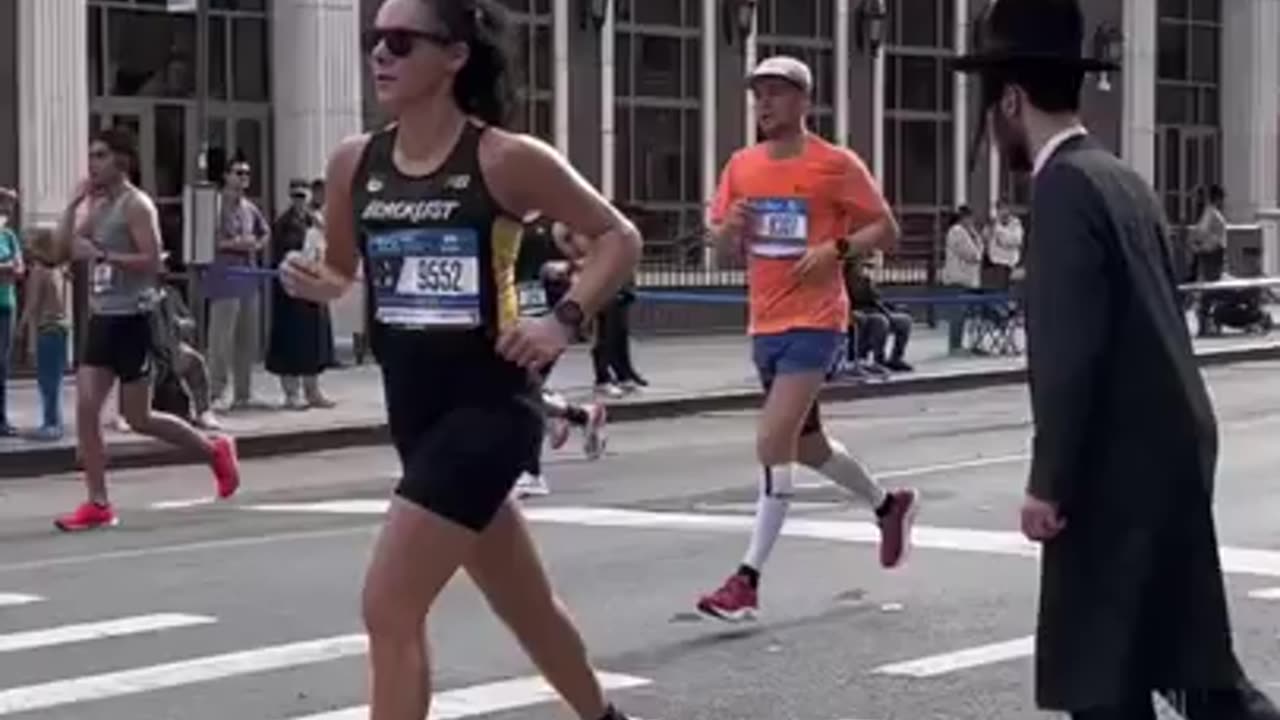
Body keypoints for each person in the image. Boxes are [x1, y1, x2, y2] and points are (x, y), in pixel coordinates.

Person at [277, 2, 641, 719]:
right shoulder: (355, 161)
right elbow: (344, 271)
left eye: (402, 41)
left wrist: (560, 322)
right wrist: (316, 281)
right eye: (374, 39)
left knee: (388, 606)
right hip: (414, 412)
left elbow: (618, 239)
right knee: (526, 607)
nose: (381, 54)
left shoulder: (505, 160)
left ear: (455, 56)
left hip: (489, 409)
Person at [953, 2, 1280, 718]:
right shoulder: (1122, 179)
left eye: (992, 107)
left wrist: (1049, 482)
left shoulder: (1064, 189)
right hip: (1172, 450)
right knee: (1190, 670)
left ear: (1011, 99)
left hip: (1114, 472)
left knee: (1107, 678)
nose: (994, 127)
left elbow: (1071, 351)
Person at [698, 55, 918, 623]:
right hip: (763, 323)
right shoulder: (742, 166)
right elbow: (721, 247)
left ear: (803, 101)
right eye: (758, 95)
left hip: (816, 321)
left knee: (773, 440)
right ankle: (887, 505)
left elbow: (886, 229)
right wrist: (730, 231)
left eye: (775, 93)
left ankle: (746, 580)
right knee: (807, 446)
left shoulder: (835, 164)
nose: (764, 104)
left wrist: (836, 250)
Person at [52, 128, 240, 532]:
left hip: (134, 318)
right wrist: (71, 205)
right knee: (86, 409)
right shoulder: (97, 205)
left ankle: (214, 451)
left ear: (122, 160)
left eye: (100, 155)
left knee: (138, 417)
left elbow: (153, 262)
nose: (93, 164)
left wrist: (104, 254)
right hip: (103, 316)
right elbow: (64, 247)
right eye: (91, 156)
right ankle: (98, 502)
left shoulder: (137, 205)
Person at [267, 179, 336, 409]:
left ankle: (313, 390)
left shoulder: (314, 220)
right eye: (295, 196)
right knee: (291, 343)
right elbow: (284, 253)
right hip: (291, 292)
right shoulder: (283, 223)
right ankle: (291, 393)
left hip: (313, 289)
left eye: (303, 195)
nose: (300, 200)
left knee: (314, 342)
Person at [17, 226, 70, 441]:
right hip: (60, 327)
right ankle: (54, 422)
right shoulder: (57, 270)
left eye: (30, 242)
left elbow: (32, 303)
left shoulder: (38, 271)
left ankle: (50, 424)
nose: (27, 246)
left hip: (46, 328)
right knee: (55, 378)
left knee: (47, 379)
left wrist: (21, 327)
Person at [0, 187, 22, 436]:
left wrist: (8, 268)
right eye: (3, 207)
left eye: (9, 209)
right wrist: (7, 267)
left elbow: (19, 270)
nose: (6, 212)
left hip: (7, 305)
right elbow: (11, 267)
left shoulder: (9, 237)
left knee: (2, 365)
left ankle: (1, 419)